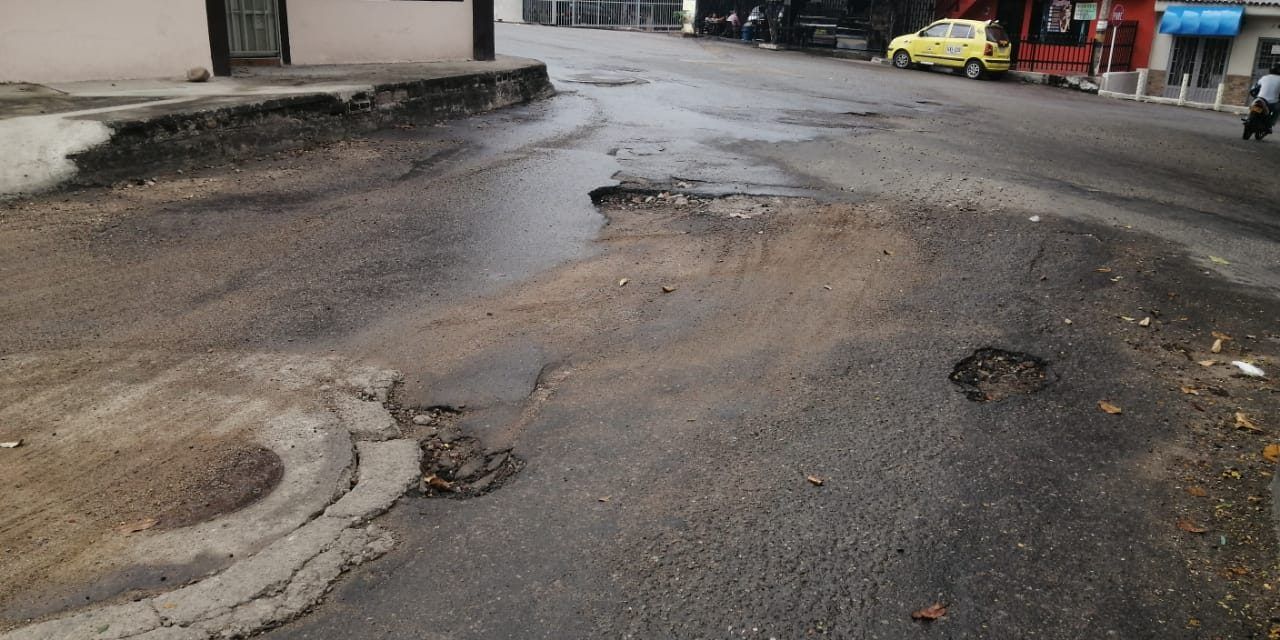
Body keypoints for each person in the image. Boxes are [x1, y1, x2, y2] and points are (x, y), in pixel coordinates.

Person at [1250, 63, 1280, 133]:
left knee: (1253, 105)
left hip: (1259, 99)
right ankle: (1270, 125)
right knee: (1277, 110)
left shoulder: (1264, 77)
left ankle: (1248, 118)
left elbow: (1254, 88)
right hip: (1272, 102)